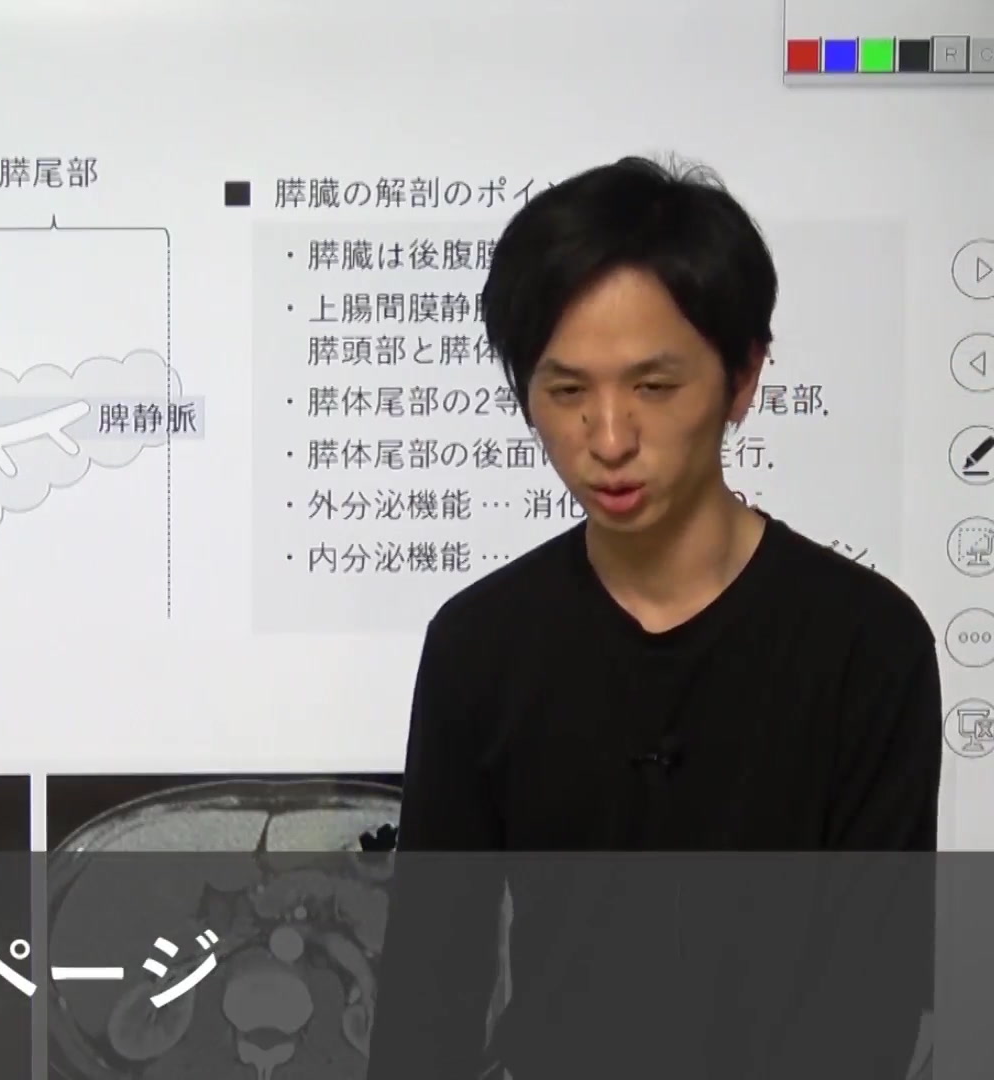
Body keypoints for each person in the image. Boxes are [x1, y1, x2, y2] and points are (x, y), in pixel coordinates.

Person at [365, 155, 940, 1080]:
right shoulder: (482, 642)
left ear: (743, 377)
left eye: (654, 387)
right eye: (566, 391)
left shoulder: (867, 644)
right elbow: (430, 990)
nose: (608, 438)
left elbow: (873, 1002)